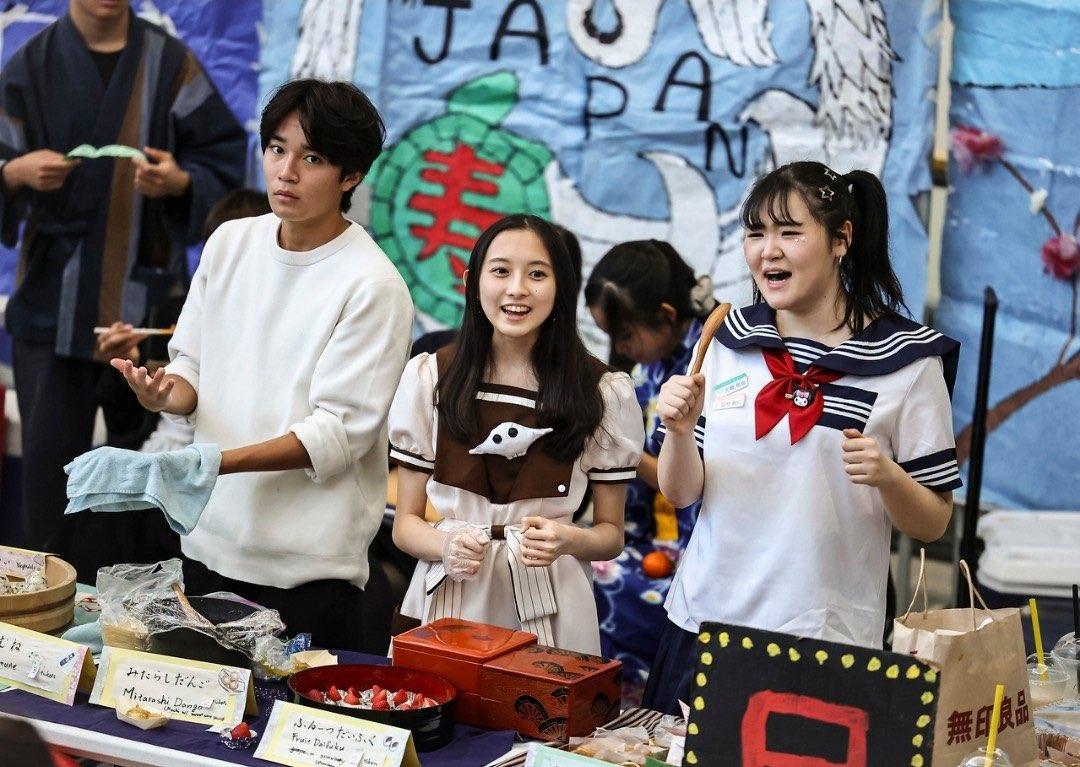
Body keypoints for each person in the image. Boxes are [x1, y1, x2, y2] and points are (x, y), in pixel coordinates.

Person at [643, 161, 961, 713]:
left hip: (826, 643)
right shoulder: (727, 340)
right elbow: (682, 492)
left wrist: (887, 477)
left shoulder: (906, 363)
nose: (768, 251)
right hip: (706, 624)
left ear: (841, 239)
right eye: (755, 233)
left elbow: (933, 523)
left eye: (790, 233)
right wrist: (678, 430)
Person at [112, 79, 413, 652]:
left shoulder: (373, 285)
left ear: (350, 176)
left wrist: (213, 463)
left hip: (309, 573)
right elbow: (191, 368)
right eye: (277, 149)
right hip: (206, 544)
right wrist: (165, 393)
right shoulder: (230, 243)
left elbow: (336, 435)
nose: (286, 172)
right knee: (196, 700)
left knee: (283, 711)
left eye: (312, 158)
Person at [0, 0, 246, 573]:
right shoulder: (31, 65)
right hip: (51, 307)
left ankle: (133, 599)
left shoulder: (171, 64)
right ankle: (44, 601)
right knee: (49, 480)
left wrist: (181, 181)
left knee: (148, 475)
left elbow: (226, 159)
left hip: (146, 313)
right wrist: (13, 173)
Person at [389, 213, 644, 654]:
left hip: (551, 596)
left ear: (562, 287)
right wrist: (445, 545)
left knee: (541, 697)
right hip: (451, 588)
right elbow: (405, 525)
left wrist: (570, 540)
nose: (517, 289)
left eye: (537, 274)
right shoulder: (431, 377)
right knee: (435, 696)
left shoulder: (602, 391)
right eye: (501, 271)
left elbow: (610, 534)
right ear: (472, 282)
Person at [583, 239, 714, 703]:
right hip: (654, 539)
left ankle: (628, 707)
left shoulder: (709, 363)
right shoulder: (648, 370)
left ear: (665, 314)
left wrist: (618, 447)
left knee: (602, 585)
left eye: (625, 335)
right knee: (574, 568)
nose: (620, 348)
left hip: (700, 547)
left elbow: (686, 484)